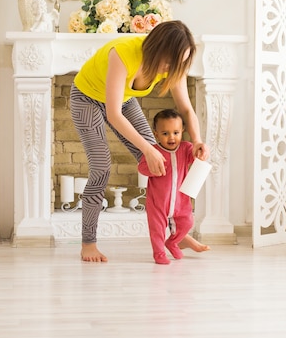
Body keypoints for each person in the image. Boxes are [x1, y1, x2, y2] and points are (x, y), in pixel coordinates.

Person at [70, 20, 210, 262]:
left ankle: (176, 232)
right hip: (87, 97)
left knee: (162, 160)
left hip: (122, 99)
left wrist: (197, 139)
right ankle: (88, 243)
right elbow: (113, 114)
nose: (170, 68)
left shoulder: (172, 65)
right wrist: (147, 149)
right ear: (156, 49)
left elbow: (186, 109)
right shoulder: (123, 53)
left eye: (178, 63)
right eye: (169, 61)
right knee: (101, 167)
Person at [138, 109, 206, 264]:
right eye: (165, 133)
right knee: (157, 230)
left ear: (182, 130)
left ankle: (173, 241)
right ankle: (159, 253)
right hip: (158, 202)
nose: (171, 137)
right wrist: (153, 168)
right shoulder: (153, 152)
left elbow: (196, 156)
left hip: (181, 201)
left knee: (188, 222)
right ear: (156, 134)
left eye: (176, 132)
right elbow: (141, 168)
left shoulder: (186, 148)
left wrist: (201, 152)